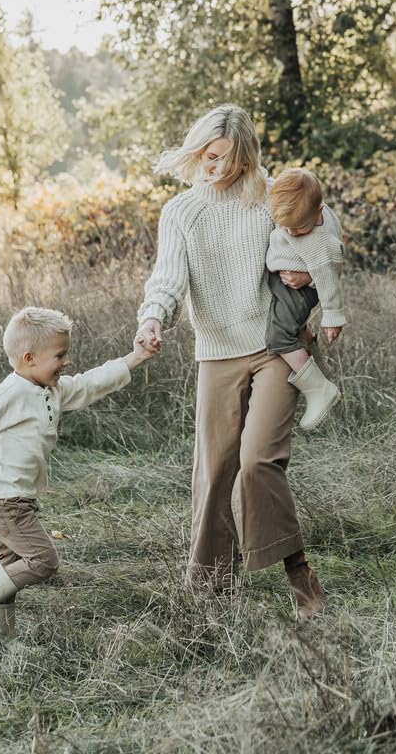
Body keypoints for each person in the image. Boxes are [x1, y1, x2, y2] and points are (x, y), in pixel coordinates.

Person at [135, 103, 326, 621]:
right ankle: (213, 597)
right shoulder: (180, 212)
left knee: (258, 461)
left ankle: (302, 581)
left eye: (228, 159)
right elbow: (168, 277)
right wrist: (154, 317)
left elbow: (321, 234)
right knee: (215, 472)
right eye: (209, 156)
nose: (216, 168)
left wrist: (310, 276)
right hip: (216, 353)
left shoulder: (271, 197)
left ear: (247, 158)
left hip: (273, 347)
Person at [0, 306, 155, 648]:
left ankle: (2, 634)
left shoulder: (51, 390)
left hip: (17, 497)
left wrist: (134, 358)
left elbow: (90, 383)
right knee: (42, 561)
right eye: (60, 355)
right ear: (29, 358)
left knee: (9, 562)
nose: (67, 362)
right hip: (3, 501)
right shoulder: (9, 395)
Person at [266, 167, 344, 430]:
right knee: (289, 325)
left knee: (278, 336)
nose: (290, 232)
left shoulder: (322, 242)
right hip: (286, 281)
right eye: (284, 227)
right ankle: (310, 348)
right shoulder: (302, 209)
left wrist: (333, 318)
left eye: (298, 229)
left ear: (319, 212)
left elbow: (329, 280)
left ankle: (319, 389)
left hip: (300, 289)